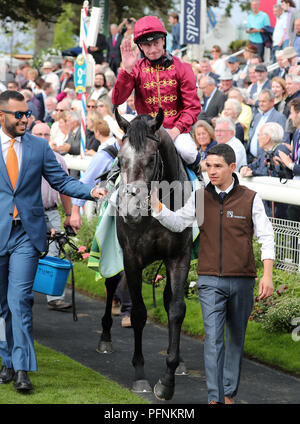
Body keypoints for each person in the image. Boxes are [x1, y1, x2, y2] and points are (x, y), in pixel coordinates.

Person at [149, 143, 275, 404]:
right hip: (209, 281)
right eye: (208, 166)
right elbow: (179, 222)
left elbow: (266, 236)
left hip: (243, 280)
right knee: (213, 340)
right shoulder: (199, 197)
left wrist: (267, 275)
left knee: (236, 341)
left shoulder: (250, 198)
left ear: (231, 167)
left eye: (218, 166)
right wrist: (158, 208)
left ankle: (229, 394)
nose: (212, 171)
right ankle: (215, 398)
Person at [0, 90, 104, 392]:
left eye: (27, 114)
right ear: (2, 116)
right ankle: (7, 359)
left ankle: (21, 368)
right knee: (2, 306)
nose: (25, 119)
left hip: (27, 234)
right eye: (18, 114)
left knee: (19, 300)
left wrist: (90, 190)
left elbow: (62, 181)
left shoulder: (39, 147)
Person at [112, 16, 201, 173]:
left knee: (188, 152)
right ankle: (112, 191)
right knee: (121, 152)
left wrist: (176, 130)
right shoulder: (135, 69)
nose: (152, 49)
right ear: (140, 46)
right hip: (145, 130)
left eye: (156, 43)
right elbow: (117, 99)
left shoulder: (183, 68)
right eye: (147, 45)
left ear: (163, 41)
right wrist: (126, 71)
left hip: (177, 129)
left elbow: (192, 107)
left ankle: (198, 184)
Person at [32, 123, 72, 310]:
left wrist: (70, 214)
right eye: (38, 133)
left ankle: (54, 297)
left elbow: (64, 188)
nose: (42, 137)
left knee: (56, 250)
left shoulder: (58, 160)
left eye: (46, 134)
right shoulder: (25, 157)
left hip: (51, 210)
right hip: (29, 213)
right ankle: (22, 294)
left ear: (51, 136)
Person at [240, 122, 290, 218]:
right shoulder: (265, 152)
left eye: (259, 135)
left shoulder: (281, 150)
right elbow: (253, 166)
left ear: (267, 138)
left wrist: (253, 173)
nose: (258, 138)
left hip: (278, 205)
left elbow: (276, 173)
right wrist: (244, 168)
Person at [247, 89, 287, 163]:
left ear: (272, 101)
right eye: (259, 101)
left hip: (267, 161)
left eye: (263, 101)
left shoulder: (279, 117)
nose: (261, 104)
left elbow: (283, 141)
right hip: (252, 159)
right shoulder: (257, 116)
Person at [277, 97, 300, 222]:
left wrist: (290, 164)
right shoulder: (296, 133)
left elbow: (294, 164)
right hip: (295, 188)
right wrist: (284, 161)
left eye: (291, 113)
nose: (290, 117)